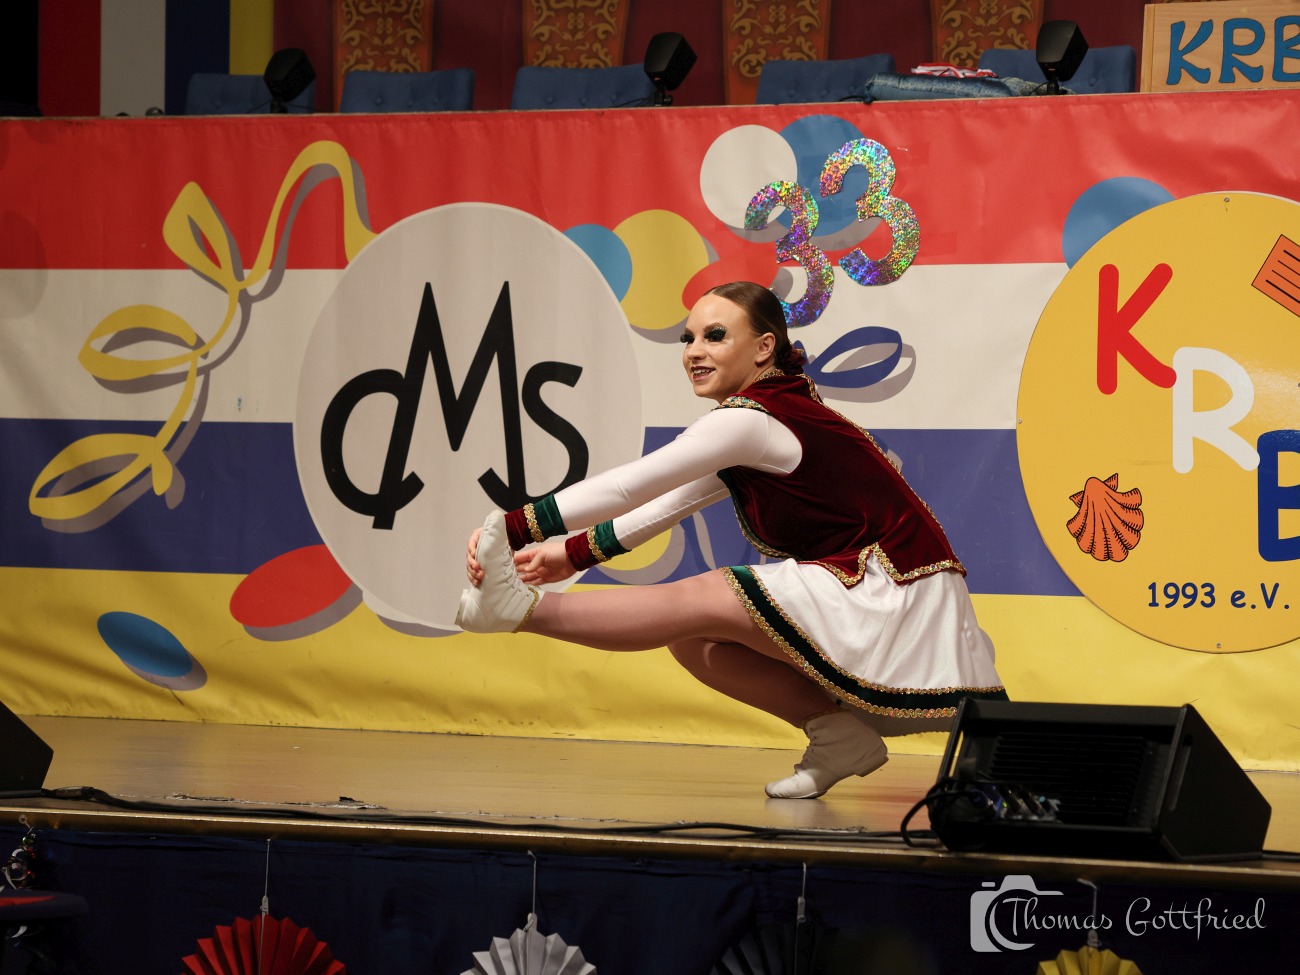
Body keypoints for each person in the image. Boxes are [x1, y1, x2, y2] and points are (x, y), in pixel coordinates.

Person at [458, 281, 1007, 799]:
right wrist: (568, 553)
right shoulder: (769, 412)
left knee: (706, 595)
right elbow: (670, 503)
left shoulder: (751, 420)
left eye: (715, 336)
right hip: (877, 582)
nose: (694, 352)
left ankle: (521, 611)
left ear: (764, 347)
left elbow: (631, 485)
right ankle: (839, 737)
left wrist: (511, 527)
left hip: (892, 588)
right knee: (691, 636)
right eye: (688, 338)